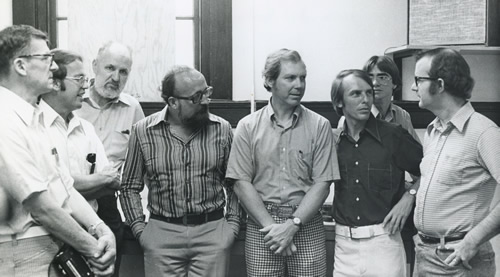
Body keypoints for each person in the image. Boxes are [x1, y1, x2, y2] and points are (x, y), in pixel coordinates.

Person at [0, 25, 115, 276]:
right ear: (20, 66)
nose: (54, 67)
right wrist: (93, 249)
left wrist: (100, 228)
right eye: (45, 58)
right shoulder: (4, 118)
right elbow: (40, 204)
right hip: (19, 251)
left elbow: (63, 185)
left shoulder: (35, 116)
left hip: (53, 244)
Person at [226, 49, 340, 276]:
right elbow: (240, 182)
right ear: (270, 80)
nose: (299, 85)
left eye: (303, 77)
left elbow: (323, 183)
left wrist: (292, 225)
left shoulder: (319, 125)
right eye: (290, 78)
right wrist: (274, 230)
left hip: (306, 223)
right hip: (262, 225)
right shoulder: (248, 127)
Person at [120, 65, 240, 277]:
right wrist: (140, 230)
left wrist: (231, 226)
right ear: (173, 102)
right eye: (196, 97)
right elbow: (129, 186)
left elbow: (235, 183)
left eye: (206, 93)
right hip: (161, 235)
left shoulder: (222, 129)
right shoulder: (143, 131)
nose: (205, 101)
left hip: (212, 234)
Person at [412, 48, 500, 276]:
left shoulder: (484, 132)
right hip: (424, 255)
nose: (414, 87)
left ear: (439, 85)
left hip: (461, 261)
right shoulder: (432, 131)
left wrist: (472, 241)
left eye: (419, 80)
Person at [330, 69, 422, 277]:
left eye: (368, 93)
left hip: (384, 242)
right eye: (356, 94)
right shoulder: (332, 141)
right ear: (339, 102)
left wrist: (409, 197)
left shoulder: (393, 135)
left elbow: (431, 172)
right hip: (344, 245)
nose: (365, 100)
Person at [75, 41, 145, 275]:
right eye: (109, 68)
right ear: (95, 66)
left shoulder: (132, 108)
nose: (115, 77)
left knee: (107, 269)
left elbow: (141, 161)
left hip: (108, 201)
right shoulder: (73, 102)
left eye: (123, 71)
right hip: (70, 197)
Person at [40, 48, 121, 212]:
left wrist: (82, 183)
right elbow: (50, 188)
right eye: (79, 79)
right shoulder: (34, 125)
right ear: (55, 82)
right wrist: (100, 179)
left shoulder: (86, 129)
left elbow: (113, 183)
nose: (85, 86)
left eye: (85, 79)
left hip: (91, 228)